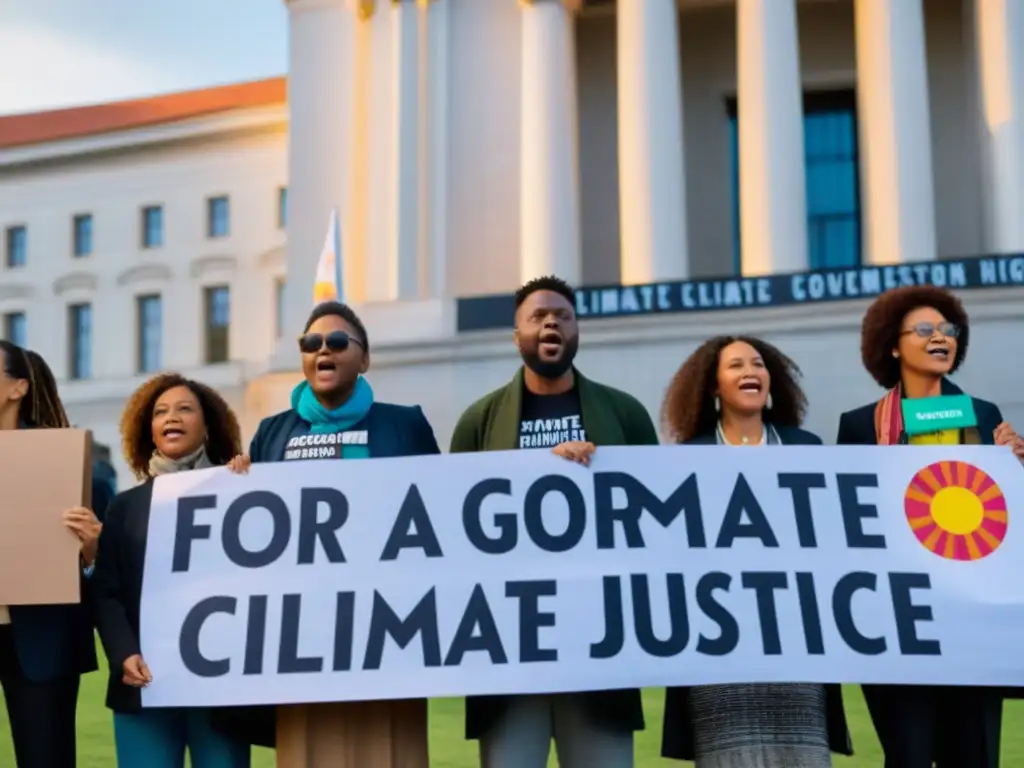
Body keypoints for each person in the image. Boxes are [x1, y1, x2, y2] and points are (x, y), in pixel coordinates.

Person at [449, 275, 659, 768]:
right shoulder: (478, 421)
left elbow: (654, 520)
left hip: (599, 648)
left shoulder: (624, 415)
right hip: (509, 651)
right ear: (516, 334)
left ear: (577, 331)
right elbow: (453, 529)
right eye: (537, 316)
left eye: (562, 316)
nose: (551, 323)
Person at [216, 299, 441, 749]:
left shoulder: (404, 425)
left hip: (386, 634)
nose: (325, 350)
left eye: (338, 341)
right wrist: (237, 482)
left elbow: (441, 512)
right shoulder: (272, 433)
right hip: (302, 635)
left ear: (365, 358)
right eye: (312, 342)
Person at [836, 284, 1023, 768]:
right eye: (924, 329)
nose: (940, 337)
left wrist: (1017, 465)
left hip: (972, 618)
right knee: (909, 756)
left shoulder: (984, 418)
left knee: (975, 757)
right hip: (900, 621)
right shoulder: (859, 427)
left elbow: (1004, 515)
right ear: (894, 345)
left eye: (948, 330)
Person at [657, 335, 853, 768]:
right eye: (736, 365)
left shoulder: (807, 450)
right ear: (713, 387)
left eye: (758, 364)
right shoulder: (686, 459)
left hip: (797, 645)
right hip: (720, 650)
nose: (751, 372)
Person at [91, 373, 251, 768]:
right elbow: (106, 591)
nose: (171, 417)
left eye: (184, 409)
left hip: (220, 685)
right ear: (149, 429)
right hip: (144, 683)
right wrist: (124, 653)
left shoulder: (244, 494)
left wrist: (253, 485)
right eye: (161, 412)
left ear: (208, 426)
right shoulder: (125, 507)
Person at [0, 340, 105, 768]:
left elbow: (102, 562)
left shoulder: (63, 458)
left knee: (45, 757)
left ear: (17, 388)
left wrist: (93, 546)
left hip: (39, 633)